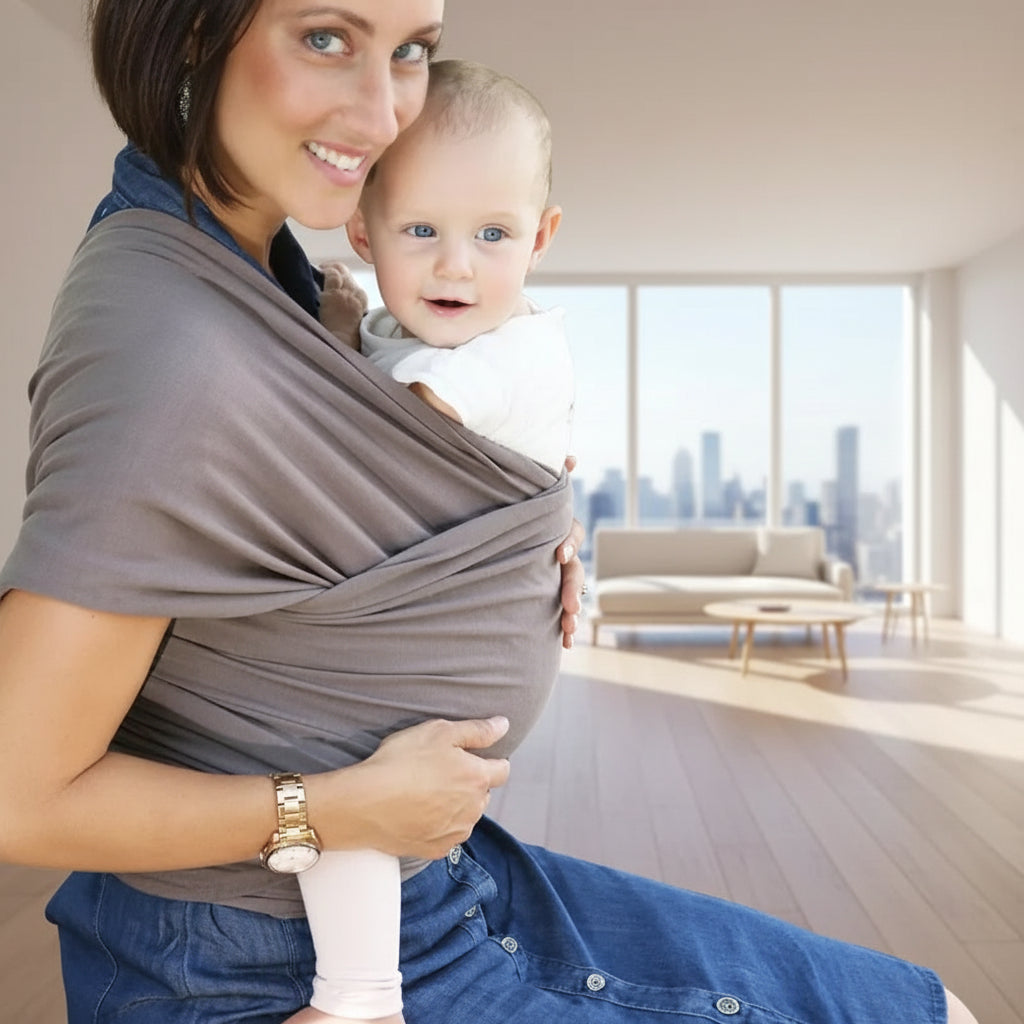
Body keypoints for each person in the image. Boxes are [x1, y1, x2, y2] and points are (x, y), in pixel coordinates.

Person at [0, 3, 978, 1024]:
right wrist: (333, 809)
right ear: (190, 32)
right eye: (326, 37)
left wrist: (502, 537)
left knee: (932, 1007)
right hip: (265, 962)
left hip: (428, 880)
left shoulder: (254, 269)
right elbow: (19, 793)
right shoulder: (171, 349)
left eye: (411, 49)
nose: (383, 112)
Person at [298, 58, 572, 1023]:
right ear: (363, 233)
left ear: (538, 239)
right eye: (422, 231)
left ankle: (359, 997)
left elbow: (392, 433)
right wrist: (336, 315)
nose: (456, 265)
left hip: (442, 648)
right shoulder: (393, 323)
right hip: (438, 621)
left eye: (492, 234)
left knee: (355, 782)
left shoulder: (508, 352)